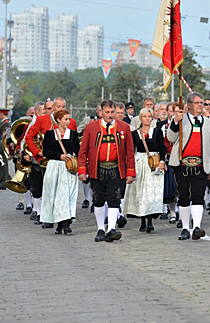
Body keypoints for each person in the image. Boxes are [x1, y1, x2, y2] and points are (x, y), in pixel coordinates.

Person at [78, 100, 136, 242]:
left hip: (116, 169)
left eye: (112, 112)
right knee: (98, 200)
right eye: (107, 112)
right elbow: (83, 150)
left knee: (114, 199)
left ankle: (111, 229)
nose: (110, 115)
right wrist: (82, 170)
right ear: (101, 112)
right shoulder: (91, 128)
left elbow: (130, 151)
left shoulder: (124, 128)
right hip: (97, 169)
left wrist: (130, 172)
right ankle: (100, 229)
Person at [167, 92, 210, 241]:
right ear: (189, 105)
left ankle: (196, 226)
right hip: (182, 164)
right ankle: (184, 227)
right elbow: (170, 138)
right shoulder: (181, 120)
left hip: (201, 164)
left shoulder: (209, 123)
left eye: (202, 102)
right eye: (197, 103)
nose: (201, 105)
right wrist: (175, 122)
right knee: (183, 196)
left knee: (198, 196)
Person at [25, 97, 78, 228]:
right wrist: (37, 153)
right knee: (46, 191)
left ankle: (64, 220)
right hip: (46, 161)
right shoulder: (42, 120)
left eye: (63, 106)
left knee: (64, 192)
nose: (61, 109)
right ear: (52, 107)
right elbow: (29, 137)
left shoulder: (71, 122)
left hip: (65, 164)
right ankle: (46, 216)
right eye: (58, 107)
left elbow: (76, 145)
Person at [123, 108, 167, 233]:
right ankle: (142, 220)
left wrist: (162, 161)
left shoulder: (157, 132)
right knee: (141, 192)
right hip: (140, 163)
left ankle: (150, 220)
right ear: (140, 118)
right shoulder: (135, 133)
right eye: (145, 116)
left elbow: (162, 148)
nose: (147, 118)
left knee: (152, 192)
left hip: (154, 163)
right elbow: (131, 151)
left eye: (149, 116)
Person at [40, 109, 80, 235]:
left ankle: (66, 222)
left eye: (69, 119)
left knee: (67, 194)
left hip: (68, 167)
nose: (68, 122)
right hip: (54, 166)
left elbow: (78, 150)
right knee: (55, 194)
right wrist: (59, 156)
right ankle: (59, 223)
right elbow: (46, 152)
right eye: (65, 119)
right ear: (58, 120)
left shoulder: (73, 134)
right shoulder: (50, 134)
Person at [0, 108, 10, 189]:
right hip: (2, 147)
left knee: (2, 165)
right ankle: (8, 179)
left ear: (1, 114)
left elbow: (2, 138)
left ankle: (3, 183)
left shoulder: (5, 124)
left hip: (2, 147)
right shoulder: (3, 123)